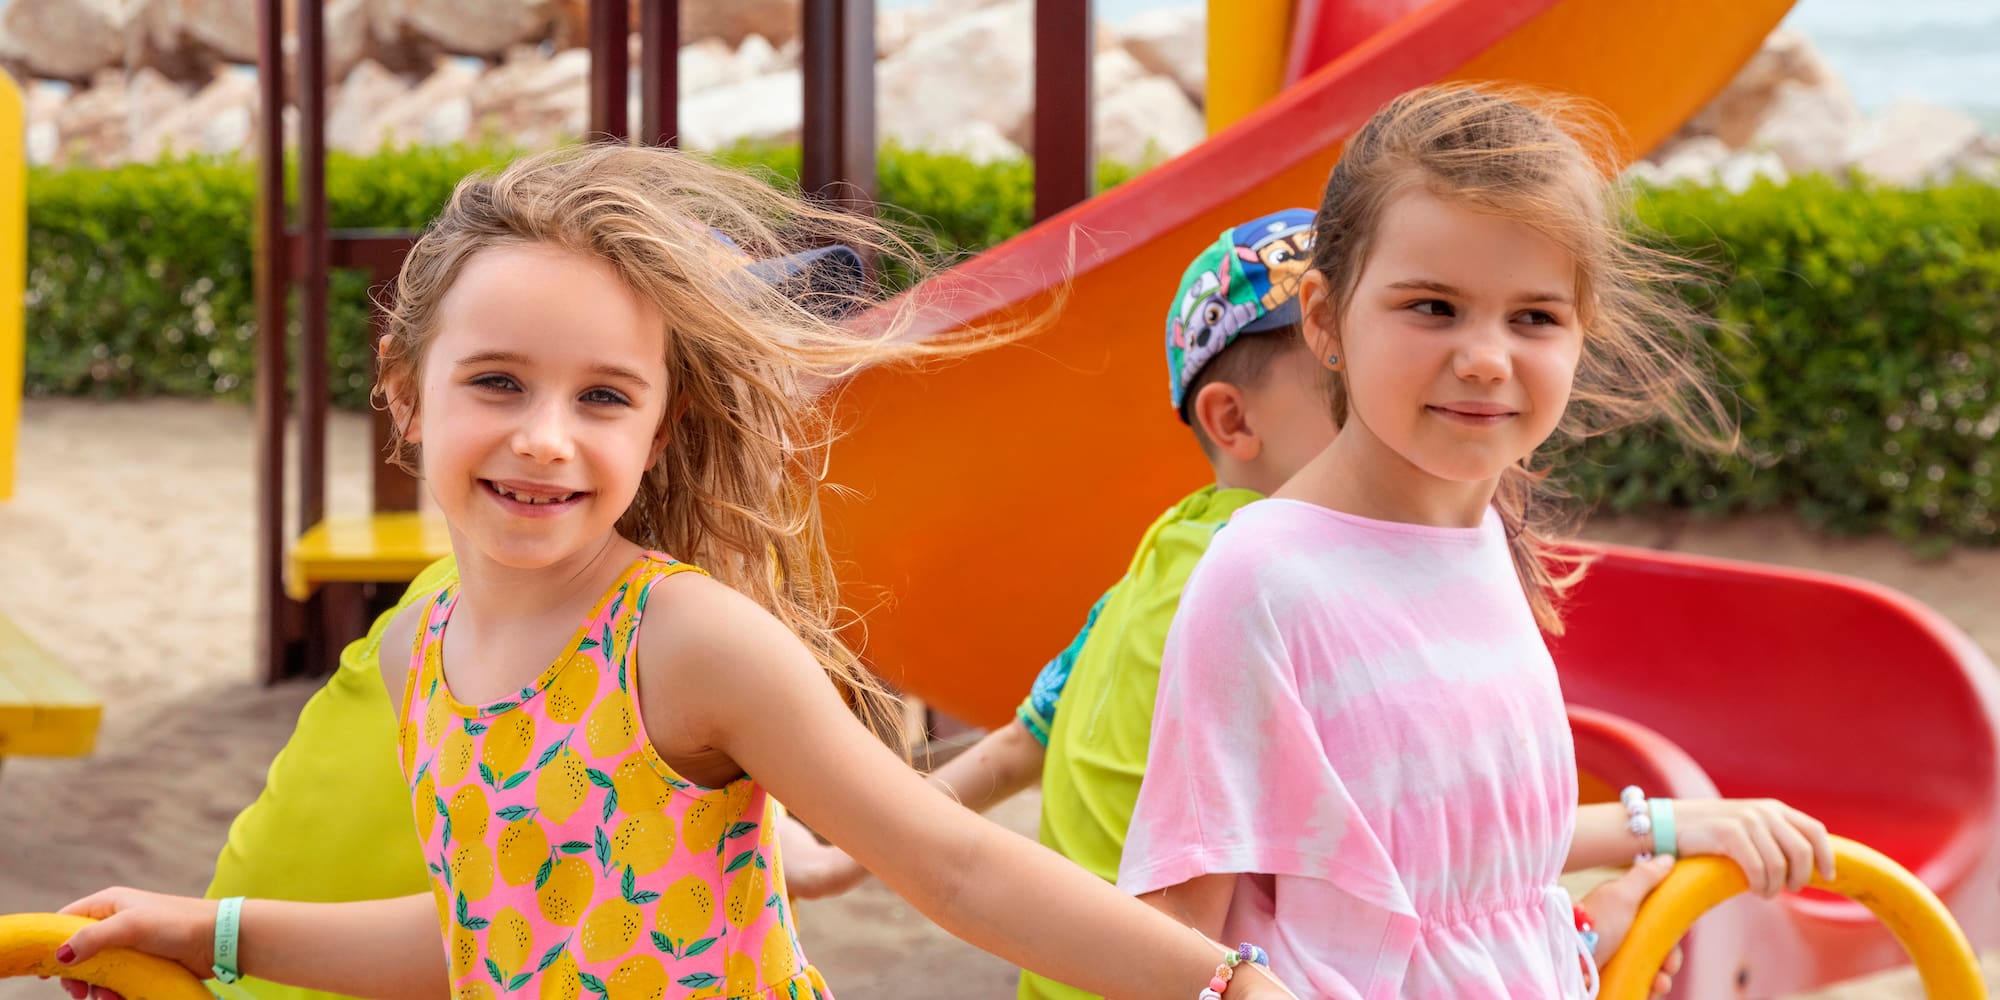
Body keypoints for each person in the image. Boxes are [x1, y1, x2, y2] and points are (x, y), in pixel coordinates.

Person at [50, 144, 1297, 1000]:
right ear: (404, 395)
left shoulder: (683, 639)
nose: (546, 434)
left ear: (656, 431)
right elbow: (490, 931)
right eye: (498, 381)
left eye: (602, 397)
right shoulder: (426, 647)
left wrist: (1220, 982)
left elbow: (952, 863)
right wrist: (211, 932)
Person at [794, 209, 1691, 999]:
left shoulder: (1167, 549)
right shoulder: (1264, 586)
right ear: (1234, 422)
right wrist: (1650, 838)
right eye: (1352, 393)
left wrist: (842, 858)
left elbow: (1021, 739)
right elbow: (1399, 862)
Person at [1117, 84, 1837, 998]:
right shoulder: (1262, 579)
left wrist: (1597, 922)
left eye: (1534, 317)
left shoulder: (1484, 541)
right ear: (1325, 319)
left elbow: (1450, 864)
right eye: (1432, 307)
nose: (1487, 357)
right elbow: (1177, 942)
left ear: (1581, 336)